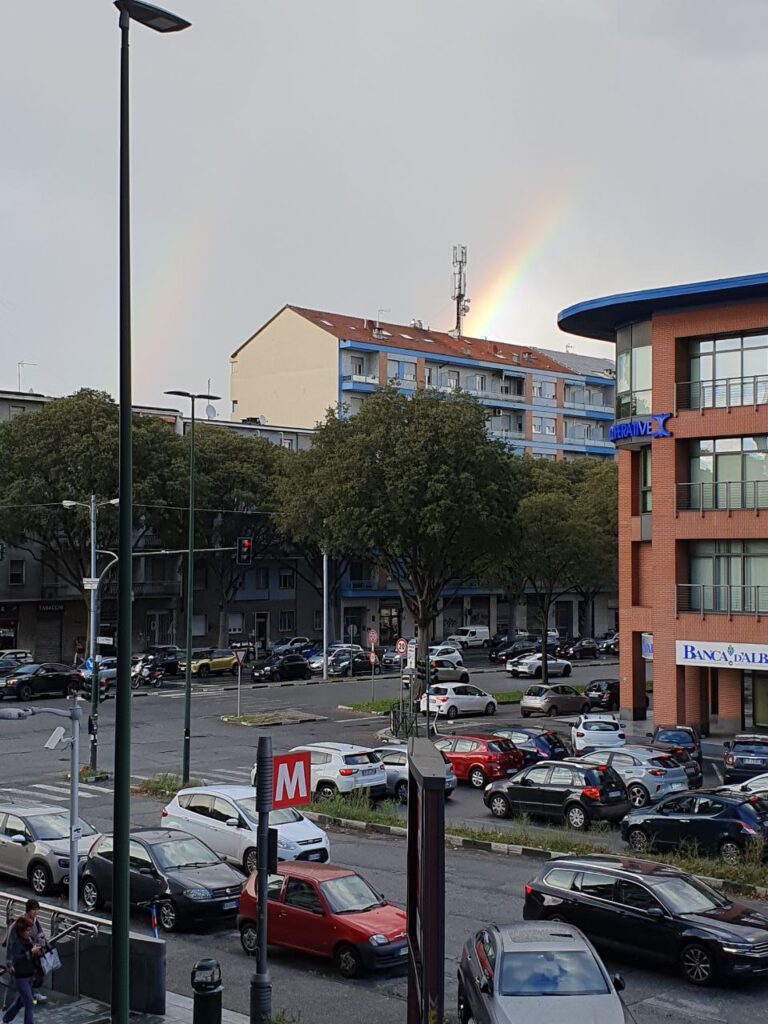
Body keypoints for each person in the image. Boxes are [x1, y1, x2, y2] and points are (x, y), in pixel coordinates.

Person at [2, 904, 47, 1012]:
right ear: (28, 910)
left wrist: (40, 946)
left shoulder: (35, 921)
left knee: (31, 980)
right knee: (14, 984)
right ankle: (7, 1006)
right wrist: (9, 963)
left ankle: (31, 996)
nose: (36, 912)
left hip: (30, 958)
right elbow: (10, 945)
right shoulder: (18, 924)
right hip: (19, 959)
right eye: (34, 910)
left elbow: (40, 934)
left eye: (37, 910)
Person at [3, 918, 41, 1024]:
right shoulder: (16, 943)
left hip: (30, 975)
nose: (29, 932)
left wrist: (37, 952)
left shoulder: (29, 940)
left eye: (30, 930)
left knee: (21, 1001)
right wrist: (30, 952)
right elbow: (17, 958)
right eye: (27, 930)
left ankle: (6, 1019)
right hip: (20, 977)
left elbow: (31, 956)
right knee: (29, 1002)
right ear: (21, 931)